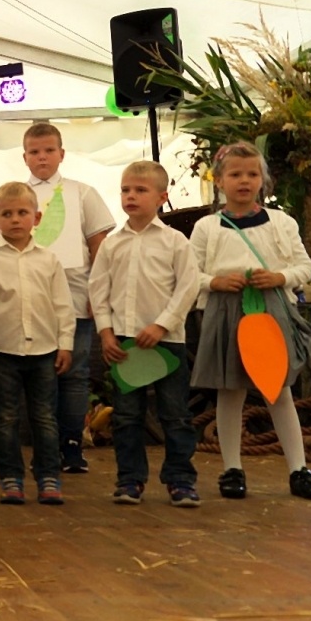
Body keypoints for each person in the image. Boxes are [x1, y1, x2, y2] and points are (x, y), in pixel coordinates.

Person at [190, 143, 311, 502]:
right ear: (219, 180)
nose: (244, 181)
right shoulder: (207, 227)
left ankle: (299, 469)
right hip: (225, 310)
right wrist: (215, 282)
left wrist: (280, 277)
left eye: (252, 174)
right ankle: (231, 469)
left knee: (278, 390)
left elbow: (304, 266)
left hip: (270, 311)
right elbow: (189, 273)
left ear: (263, 180)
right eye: (235, 174)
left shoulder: (281, 222)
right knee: (230, 390)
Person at [0, 123, 115, 474]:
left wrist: (99, 290)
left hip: (75, 297)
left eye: (48, 150)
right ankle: (41, 450)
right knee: (33, 377)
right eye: (34, 151)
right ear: (24, 157)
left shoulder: (83, 192)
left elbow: (100, 246)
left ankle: (72, 445)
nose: (41, 157)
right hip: (24, 305)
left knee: (74, 374)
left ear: (62, 154)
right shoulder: (12, 196)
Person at [89, 162, 202, 507]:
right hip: (123, 344)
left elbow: (189, 286)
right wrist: (106, 333)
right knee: (125, 416)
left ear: (162, 197)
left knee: (175, 414)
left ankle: (180, 479)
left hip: (167, 342)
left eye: (140, 190)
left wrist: (162, 324)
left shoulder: (174, 241)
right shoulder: (112, 244)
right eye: (126, 190)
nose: (131, 196)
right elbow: (98, 289)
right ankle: (129, 480)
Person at [0, 182, 73, 506]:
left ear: (37, 217)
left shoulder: (49, 260)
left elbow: (63, 305)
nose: (15, 219)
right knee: (5, 418)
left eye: (22, 213)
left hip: (44, 350)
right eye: (7, 214)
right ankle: (10, 478)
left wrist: (66, 344)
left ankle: (48, 476)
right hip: (2, 349)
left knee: (45, 417)